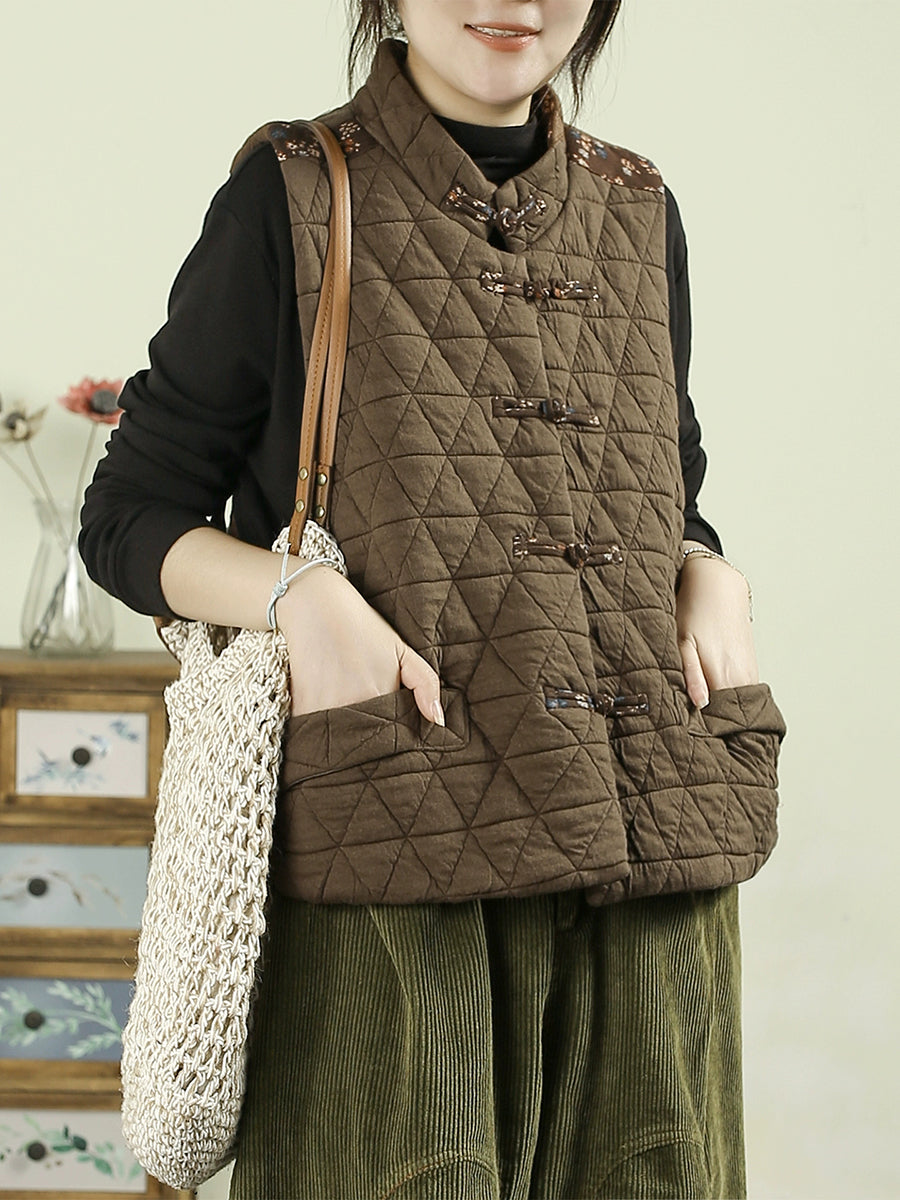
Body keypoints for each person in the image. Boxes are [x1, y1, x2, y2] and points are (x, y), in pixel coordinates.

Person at [80, 2, 787, 1197]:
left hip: (650, 877)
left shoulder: (638, 206)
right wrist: (300, 598)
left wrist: (712, 572)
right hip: (395, 866)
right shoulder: (293, 194)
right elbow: (130, 515)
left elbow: (662, 490)